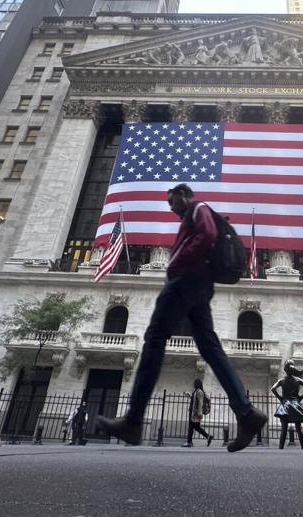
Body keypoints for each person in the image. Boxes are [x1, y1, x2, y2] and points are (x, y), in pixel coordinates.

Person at [97, 184, 267, 452]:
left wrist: (178, 263)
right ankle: (247, 414)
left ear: (185, 195)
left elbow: (208, 234)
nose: (170, 205)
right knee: (210, 348)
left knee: (154, 339)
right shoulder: (192, 216)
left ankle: (133, 420)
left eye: (172, 199)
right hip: (199, 283)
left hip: (186, 280)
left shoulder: (197, 208)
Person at [271, 360, 303, 450]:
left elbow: (273, 389)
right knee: (299, 428)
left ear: (285, 369)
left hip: (285, 405)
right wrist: (301, 397)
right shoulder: (298, 380)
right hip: (295, 404)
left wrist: (280, 398)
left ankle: (281, 448)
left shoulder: (282, 380)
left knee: (284, 429)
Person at [182, 378, 214, 447]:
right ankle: (208, 436)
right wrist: (189, 396)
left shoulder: (199, 391)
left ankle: (189, 442)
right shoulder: (197, 391)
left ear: (197, 384)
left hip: (195, 413)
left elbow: (200, 403)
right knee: (196, 427)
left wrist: (199, 413)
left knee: (191, 427)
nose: (193, 384)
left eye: (194, 383)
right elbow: (195, 401)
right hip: (194, 412)